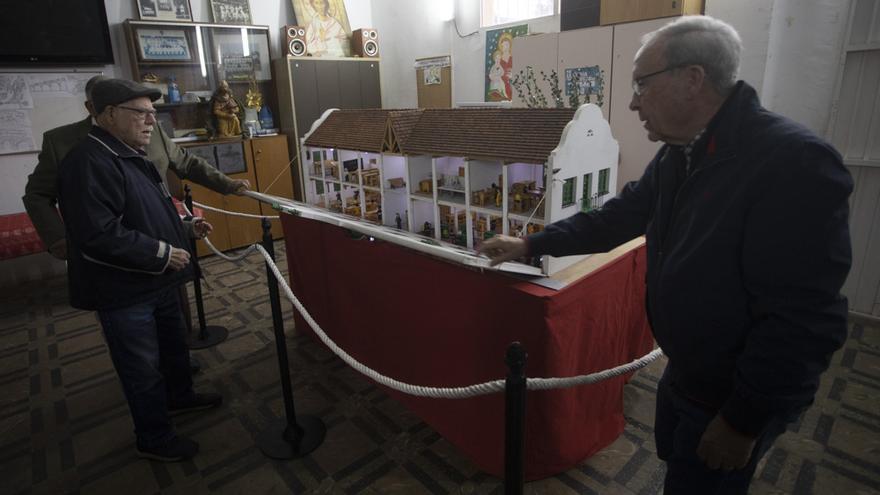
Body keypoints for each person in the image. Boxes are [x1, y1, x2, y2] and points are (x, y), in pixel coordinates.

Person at [479, 16, 852, 494]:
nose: (633, 102)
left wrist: (743, 420)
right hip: (689, 373)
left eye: (642, 85)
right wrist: (531, 244)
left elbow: (804, 322)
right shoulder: (681, 152)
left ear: (692, 79)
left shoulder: (793, 163)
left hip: (730, 393)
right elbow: (618, 217)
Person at [57, 78, 221, 462]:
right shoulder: (87, 162)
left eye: (153, 113)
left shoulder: (131, 151)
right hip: (123, 290)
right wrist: (163, 253)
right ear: (109, 114)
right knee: (141, 367)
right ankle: (154, 437)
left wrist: (183, 229)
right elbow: (98, 234)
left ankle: (180, 397)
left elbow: (148, 213)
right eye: (141, 113)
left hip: (156, 280)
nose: (151, 122)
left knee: (173, 345)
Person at [22, 75, 249, 261]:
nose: (149, 119)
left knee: (174, 310)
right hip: (112, 258)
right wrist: (57, 238)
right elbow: (37, 195)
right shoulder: (62, 143)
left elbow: (187, 163)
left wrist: (228, 184)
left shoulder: (151, 129)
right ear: (93, 107)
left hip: (164, 248)